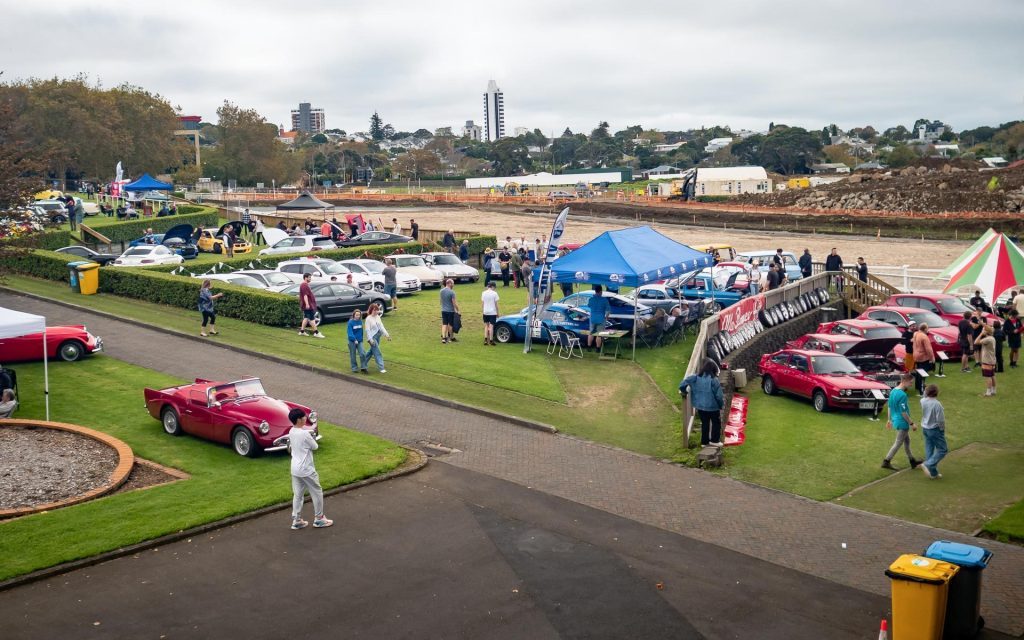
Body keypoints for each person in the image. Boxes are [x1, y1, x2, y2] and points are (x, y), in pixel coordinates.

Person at [287, 407, 333, 530]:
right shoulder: (304, 434)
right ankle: (319, 519)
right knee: (317, 491)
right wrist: (311, 437)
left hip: (295, 468)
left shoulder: (291, 431)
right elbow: (315, 446)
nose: (305, 418)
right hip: (306, 469)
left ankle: (296, 520)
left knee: (298, 495)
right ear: (298, 419)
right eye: (303, 417)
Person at [679, 359, 725, 447]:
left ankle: (704, 442)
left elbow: (682, 384)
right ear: (714, 370)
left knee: (705, 423)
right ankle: (714, 440)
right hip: (713, 407)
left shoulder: (695, 377)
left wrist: (684, 391)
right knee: (716, 423)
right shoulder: (714, 380)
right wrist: (720, 405)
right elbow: (719, 396)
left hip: (700, 406)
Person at [881, 373, 922, 471]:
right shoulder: (903, 395)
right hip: (902, 422)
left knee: (907, 441)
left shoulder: (893, 391)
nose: (911, 385)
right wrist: (912, 424)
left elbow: (889, 406)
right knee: (898, 443)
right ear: (905, 381)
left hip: (896, 420)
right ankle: (886, 461)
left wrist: (889, 419)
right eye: (911, 382)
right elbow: (903, 412)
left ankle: (912, 461)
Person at [920, 384, 947, 479]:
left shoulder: (923, 400)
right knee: (943, 449)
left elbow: (924, 395)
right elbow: (940, 420)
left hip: (925, 428)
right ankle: (928, 464)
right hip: (935, 429)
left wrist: (925, 389)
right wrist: (942, 429)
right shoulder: (937, 404)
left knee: (929, 449)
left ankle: (933, 473)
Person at [362, 303, 391, 372]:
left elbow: (381, 327)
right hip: (372, 337)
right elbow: (367, 330)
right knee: (377, 352)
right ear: (371, 310)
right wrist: (370, 340)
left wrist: (387, 335)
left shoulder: (378, 317)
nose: (376, 312)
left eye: (377, 310)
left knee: (371, 352)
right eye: (374, 310)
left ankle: (363, 364)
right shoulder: (368, 319)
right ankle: (381, 368)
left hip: (378, 336)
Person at [297, 273, 325, 338]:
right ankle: (316, 333)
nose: (310, 279)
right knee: (312, 318)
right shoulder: (304, 285)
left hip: (308, 304)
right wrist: (307, 304)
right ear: (305, 278)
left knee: (306, 318)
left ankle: (302, 331)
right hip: (308, 305)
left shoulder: (305, 285)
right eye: (309, 277)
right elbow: (305, 295)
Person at [912, 324, 936, 395]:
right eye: (927, 328)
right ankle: (921, 387)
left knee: (918, 371)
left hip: (916, 355)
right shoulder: (924, 336)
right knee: (923, 372)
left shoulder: (916, 334)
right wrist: (932, 358)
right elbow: (928, 349)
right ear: (925, 329)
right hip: (923, 356)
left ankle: (917, 386)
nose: (928, 330)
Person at [586, 285, 611, 351]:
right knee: (599, 335)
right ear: (601, 291)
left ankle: (589, 347)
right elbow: (608, 310)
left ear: (595, 291)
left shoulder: (591, 299)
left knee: (591, 333)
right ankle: (598, 348)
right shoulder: (604, 300)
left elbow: (589, 305)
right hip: (601, 319)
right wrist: (606, 317)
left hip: (592, 318)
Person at [977, 323, 997, 396]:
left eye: (983, 330)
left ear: (986, 332)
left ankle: (988, 392)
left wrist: (981, 334)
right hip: (992, 360)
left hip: (987, 360)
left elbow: (976, 342)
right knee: (992, 375)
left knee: (988, 377)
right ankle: (993, 390)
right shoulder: (992, 338)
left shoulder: (987, 339)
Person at [346, 308, 369, 373]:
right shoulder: (350, 322)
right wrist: (354, 339)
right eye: (356, 315)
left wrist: (360, 340)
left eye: (359, 315)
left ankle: (363, 367)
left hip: (359, 341)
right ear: (354, 315)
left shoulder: (360, 322)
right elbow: (350, 333)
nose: (358, 316)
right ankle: (354, 368)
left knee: (362, 353)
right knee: (353, 355)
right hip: (352, 341)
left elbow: (361, 332)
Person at [440, 279, 459, 344]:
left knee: (444, 324)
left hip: (443, 310)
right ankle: (450, 337)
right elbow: (454, 303)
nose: (453, 285)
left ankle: (443, 338)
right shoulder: (452, 292)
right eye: (452, 284)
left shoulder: (441, 291)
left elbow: (441, 301)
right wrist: (457, 310)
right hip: (450, 311)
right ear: (449, 283)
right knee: (450, 325)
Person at [481, 281, 500, 346]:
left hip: (485, 311)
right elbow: (496, 305)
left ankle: (486, 339)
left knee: (486, 325)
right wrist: (498, 313)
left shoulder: (483, 293)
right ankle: (491, 340)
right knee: (491, 326)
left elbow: (482, 304)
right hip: (492, 312)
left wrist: (483, 311)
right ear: (492, 286)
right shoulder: (495, 293)